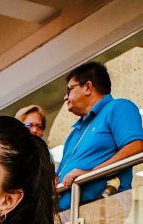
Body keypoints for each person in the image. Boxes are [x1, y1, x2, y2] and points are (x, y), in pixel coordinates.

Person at [56, 61, 143, 210]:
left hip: (102, 208)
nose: (65, 97)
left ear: (88, 87)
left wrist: (90, 173)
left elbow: (136, 147)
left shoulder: (118, 107)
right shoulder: (75, 133)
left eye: (69, 89)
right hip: (66, 217)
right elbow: (61, 174)